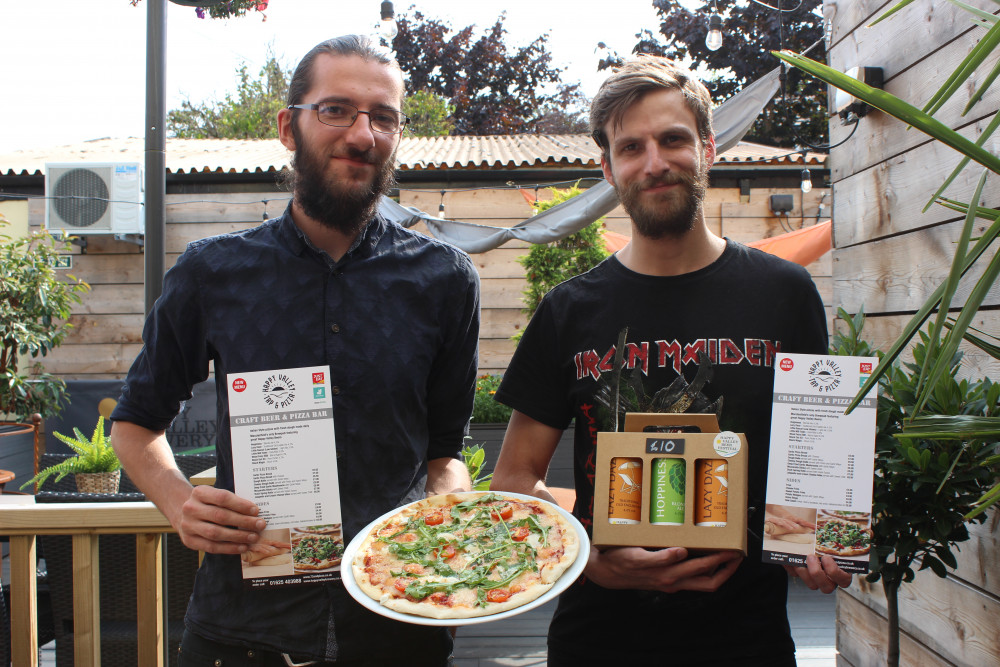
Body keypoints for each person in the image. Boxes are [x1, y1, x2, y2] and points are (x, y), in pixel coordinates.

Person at [110, 35, 480, 666]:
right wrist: (179, 504)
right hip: (242, 630)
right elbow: (136, 424)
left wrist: (453, 499)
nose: (362, 135)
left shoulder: (445, 280)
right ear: (289, 127)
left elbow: (445, 454)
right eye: (336, 110)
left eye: (383, 118)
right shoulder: (213, 271)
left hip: (398, 624)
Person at [490, 55, 851, 666]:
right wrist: (591, 561)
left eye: (673, 139)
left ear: (708, 147)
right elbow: (513, 483)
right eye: (632, 147)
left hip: (746, 640)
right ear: (608, 167)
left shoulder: (785, 294)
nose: (654, 163)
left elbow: (818, 462)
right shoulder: (568, 310)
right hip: (598, 641)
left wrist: (827, 542)